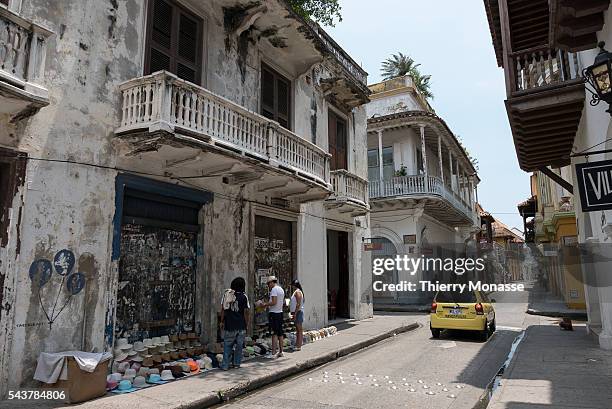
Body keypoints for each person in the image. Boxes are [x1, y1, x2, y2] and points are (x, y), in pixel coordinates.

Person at [220, 277, 250, 370]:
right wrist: (247, 324)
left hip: (230, 325)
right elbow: (246, 312)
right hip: (241, 325)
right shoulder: (244, 296)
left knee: (227, 345)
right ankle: (236, 364)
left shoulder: (227, 295)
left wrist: (221, 321)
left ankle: (225, 365)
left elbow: (223, 309)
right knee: (239, 346)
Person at [258, 276, 285, 358]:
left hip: (274, 313)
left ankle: (273, 352)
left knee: (274, 333)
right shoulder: (281, 289)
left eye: (268, 283)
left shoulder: (274, 290)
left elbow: (274, 302)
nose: (268, 285)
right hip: (280, 312)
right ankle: (281, 351)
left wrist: (264, 304)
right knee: (280, 333)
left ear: (272, 282)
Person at [289, 279, 305, 351]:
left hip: (298, 312)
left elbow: (298, 304)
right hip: (297, 312)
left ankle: (298, 346)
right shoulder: (297, 292)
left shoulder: (297, 292)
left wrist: (295, 314)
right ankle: (297, 345)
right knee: (298, 329)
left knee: (299, 329)